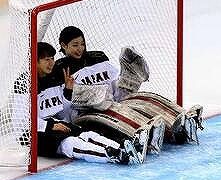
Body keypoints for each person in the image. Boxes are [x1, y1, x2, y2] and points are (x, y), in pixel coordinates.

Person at [51, 25, 203, 147]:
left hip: (111, 101)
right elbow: (62, 107)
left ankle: (182, 121)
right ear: (64, 46)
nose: (80, 48)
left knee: (143, 99)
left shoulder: (97, 58)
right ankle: (151, 135)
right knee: (112, 108)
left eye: (82, 44)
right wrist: (69, 92)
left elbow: (112, 84)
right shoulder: (60, 69)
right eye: (75, 45)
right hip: (84, 113)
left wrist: (123, 87)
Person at [20, 42, 149, 164]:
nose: (51, 63)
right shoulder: (23, 83)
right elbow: (20, 120)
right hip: (33, 133)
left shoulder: (52, 78)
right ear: (35, 61)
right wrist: (48, 126)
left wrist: (68, 92)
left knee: (86, 133)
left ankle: (126, 147)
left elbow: (61, 108)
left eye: (52, 58)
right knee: (70, 143)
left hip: (53, 123)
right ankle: (117, 156)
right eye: (46, 59)